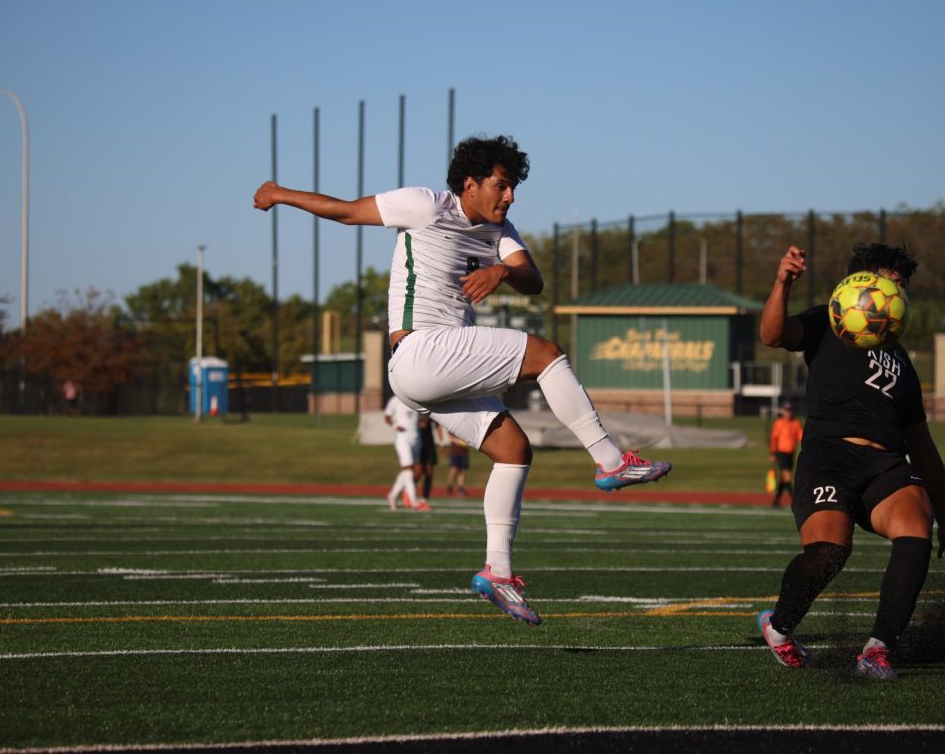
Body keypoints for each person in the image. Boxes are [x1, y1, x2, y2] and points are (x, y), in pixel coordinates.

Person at [253, 135, 671, 626]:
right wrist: (280, 193)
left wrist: (500, 272)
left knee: (514, 450)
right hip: (419, 353)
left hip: (432, 374)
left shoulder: (501, 229)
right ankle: (609, 460)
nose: (509, 195)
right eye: (501, 185)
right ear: (469, 185)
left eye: (513, 186)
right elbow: (345, 212)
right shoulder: (425, 205)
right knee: (546, 354)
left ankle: (498, 572)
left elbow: (531, 278)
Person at [755, 243, 945, 680]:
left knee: (915, 526)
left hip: (886, 464)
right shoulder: (826, 320)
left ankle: (877, 650)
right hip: (828, 456)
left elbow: (922, 444)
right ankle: (778, 628)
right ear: (861, 285)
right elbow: (772, 336)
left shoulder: (902, 362)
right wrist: (782, 283)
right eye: (891, 281)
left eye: (902, 286)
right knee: (828, 554)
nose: (897, 291)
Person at [382, 393, 427, 512]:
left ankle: (391, 496)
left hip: (416, 438)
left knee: (412, 469)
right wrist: (395, 425)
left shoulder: (415, 400)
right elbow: (387, 417)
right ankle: (413, 501)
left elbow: (422, 418)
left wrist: (423, 421)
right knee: (408, 468)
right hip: (403, 438)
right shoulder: (394, 400)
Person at [768, 401, 803, 507]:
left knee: (784, 478)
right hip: (781, 453)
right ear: (783, 411)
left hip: (791, 454)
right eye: (786, 410)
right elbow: (774, 439)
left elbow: (801, 437)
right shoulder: (779, 423)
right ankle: (795, 500)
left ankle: (776, 501)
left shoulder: (795, 423)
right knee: (787, 476)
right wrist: (773, 453)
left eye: (790, 410)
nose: (788, 412)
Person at [414, 415, 440, 501]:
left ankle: (425, 498)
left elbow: (437, 424)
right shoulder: (414, 411)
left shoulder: (430, 410)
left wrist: (441, 442)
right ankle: (409, 491)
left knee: (429, 472)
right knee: (418, 471)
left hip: (429, 443)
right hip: (419, 443)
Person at [445, 432, 471, 497]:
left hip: (464, 452)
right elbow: (450, 437)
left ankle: (461, 489)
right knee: (454, 469)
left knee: (462, 471)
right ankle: (450, 486)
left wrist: (466, 443)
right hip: (455, 451)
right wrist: (458, 441)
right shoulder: (454, 426)